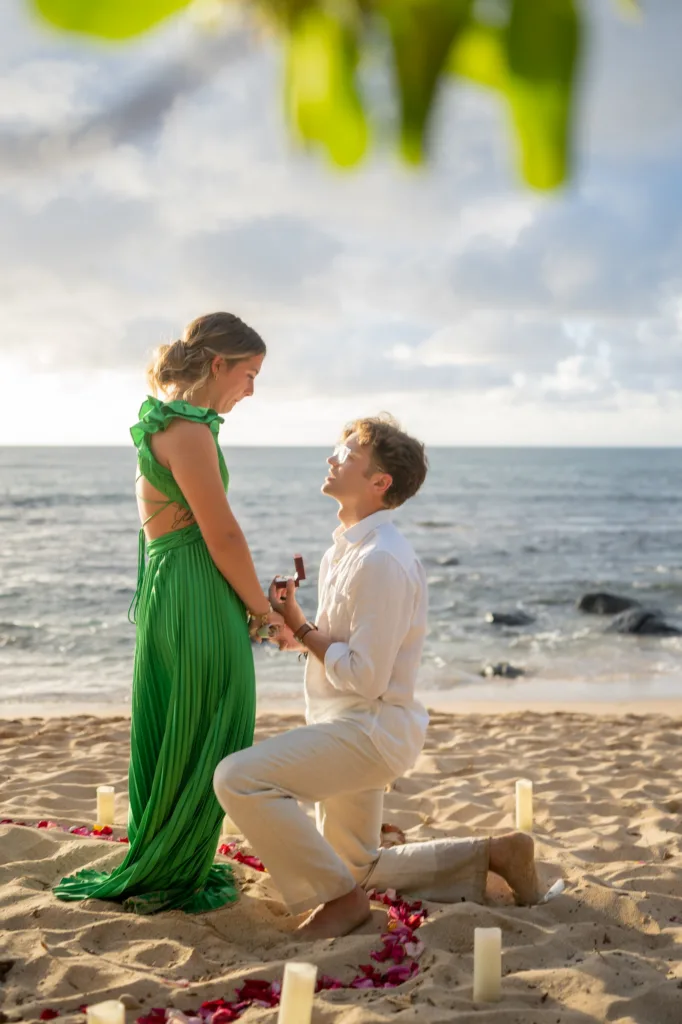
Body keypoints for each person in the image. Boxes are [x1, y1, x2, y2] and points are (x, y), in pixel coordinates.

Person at [213, 415, 539, 937]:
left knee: (238, 778)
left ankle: (343, 903)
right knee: (356, 865)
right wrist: (294, 632)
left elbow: (366, 677)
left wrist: (303, 626)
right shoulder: (344, 550)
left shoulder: (382, 560)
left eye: (346, 455)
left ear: (379, 482)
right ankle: (494, 853)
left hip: (369, 731)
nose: (331, 458)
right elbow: (346, 646)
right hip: (344, 721)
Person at [54, 312, 281, 914]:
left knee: (185, 716)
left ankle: (175, 854)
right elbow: (222, 535)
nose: (251, 390)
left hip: (171, 586)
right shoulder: (188, 430)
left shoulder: (166, 422)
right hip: (193, 588)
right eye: (250, 374)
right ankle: (174, 865)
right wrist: (264, 611)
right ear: (218, 364)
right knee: (213, 721)